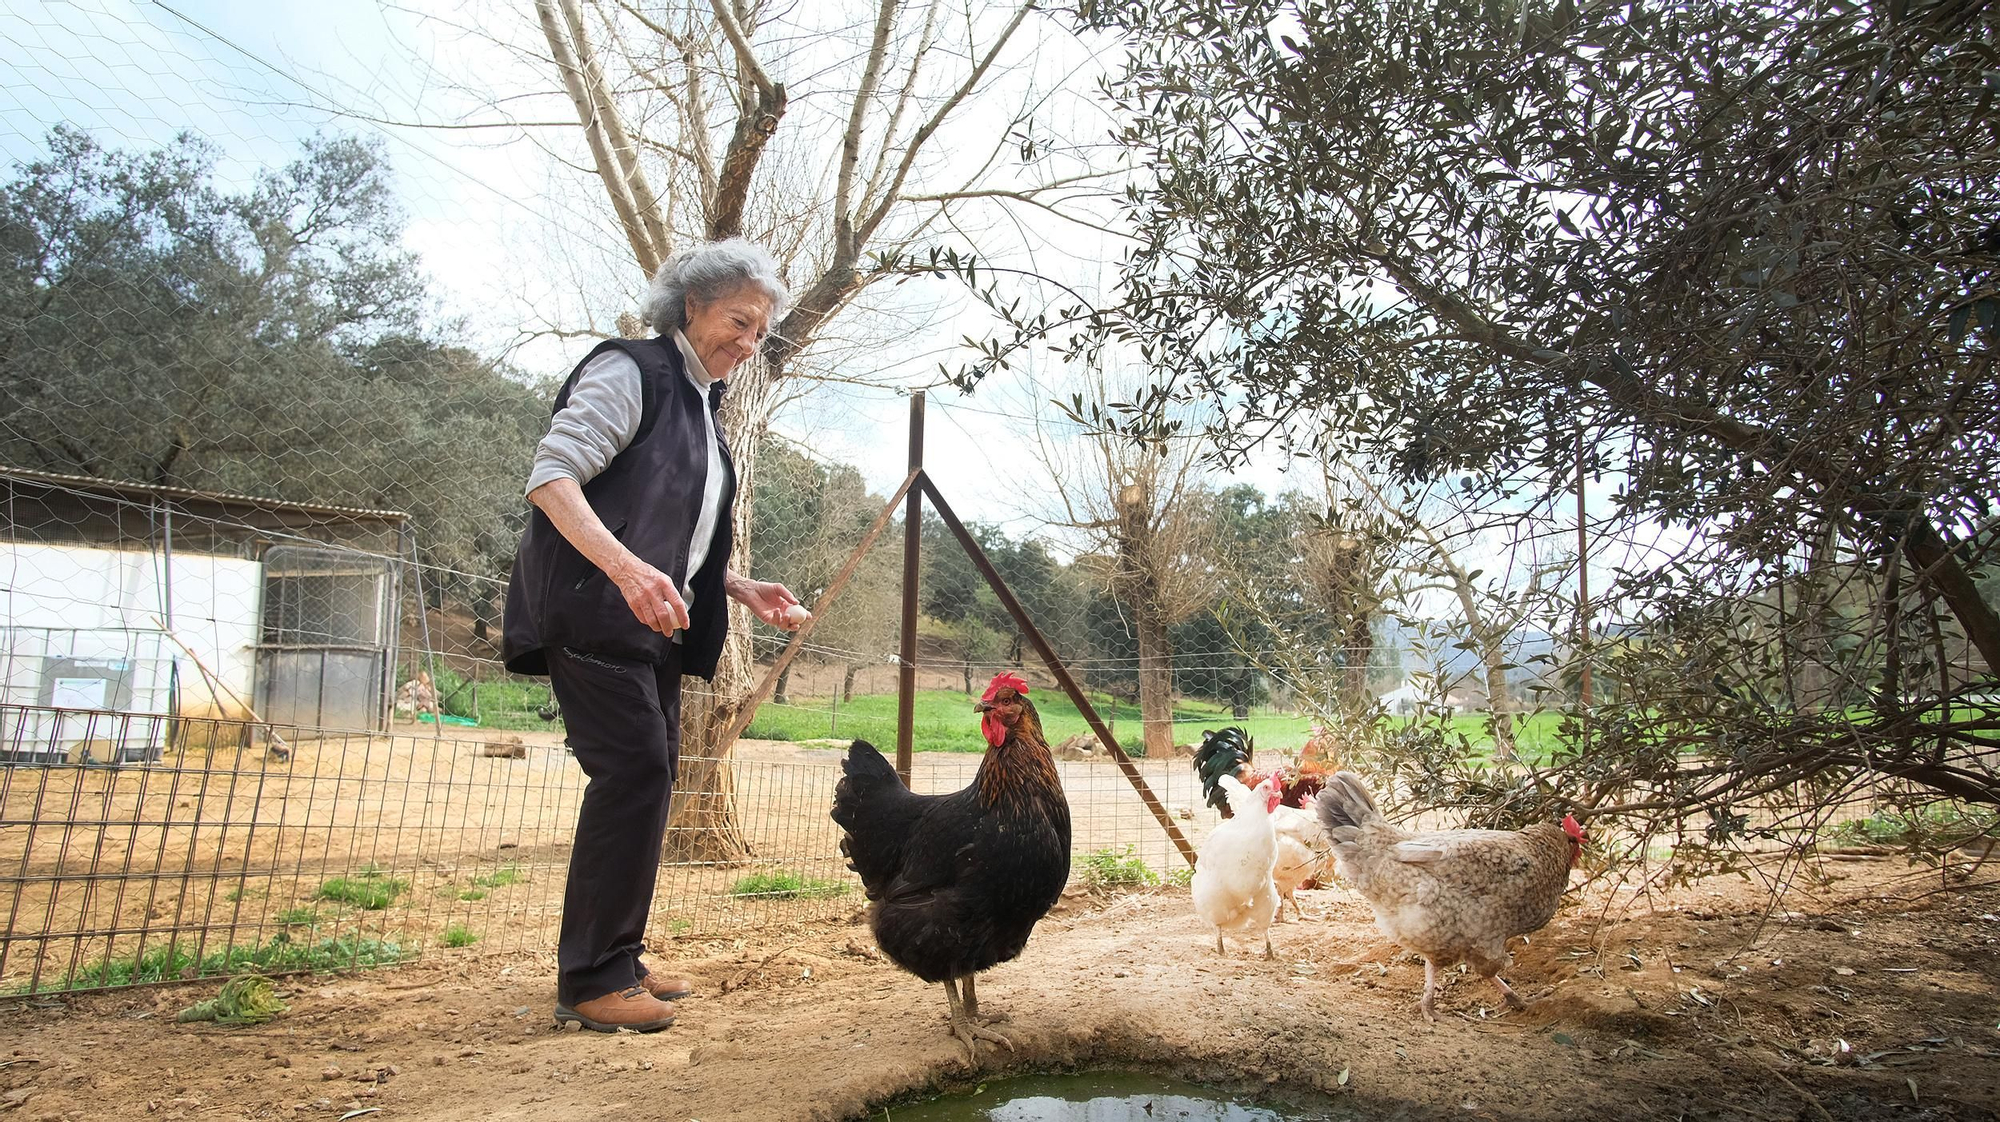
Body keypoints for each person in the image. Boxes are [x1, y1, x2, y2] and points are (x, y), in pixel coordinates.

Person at [501, 237, 802, 1033]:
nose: (748, 342)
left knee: (652, 775)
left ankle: (619, 958)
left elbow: (677, 523)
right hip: (593, 611)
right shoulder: (631, 371)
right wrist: (627, 573)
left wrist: (735, 585)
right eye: (738, 321)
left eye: (760, 332)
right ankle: (591, 979)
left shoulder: (703, 402)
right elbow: (551, 478)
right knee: (633, 773)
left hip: (650, 625)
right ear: (691, 305)